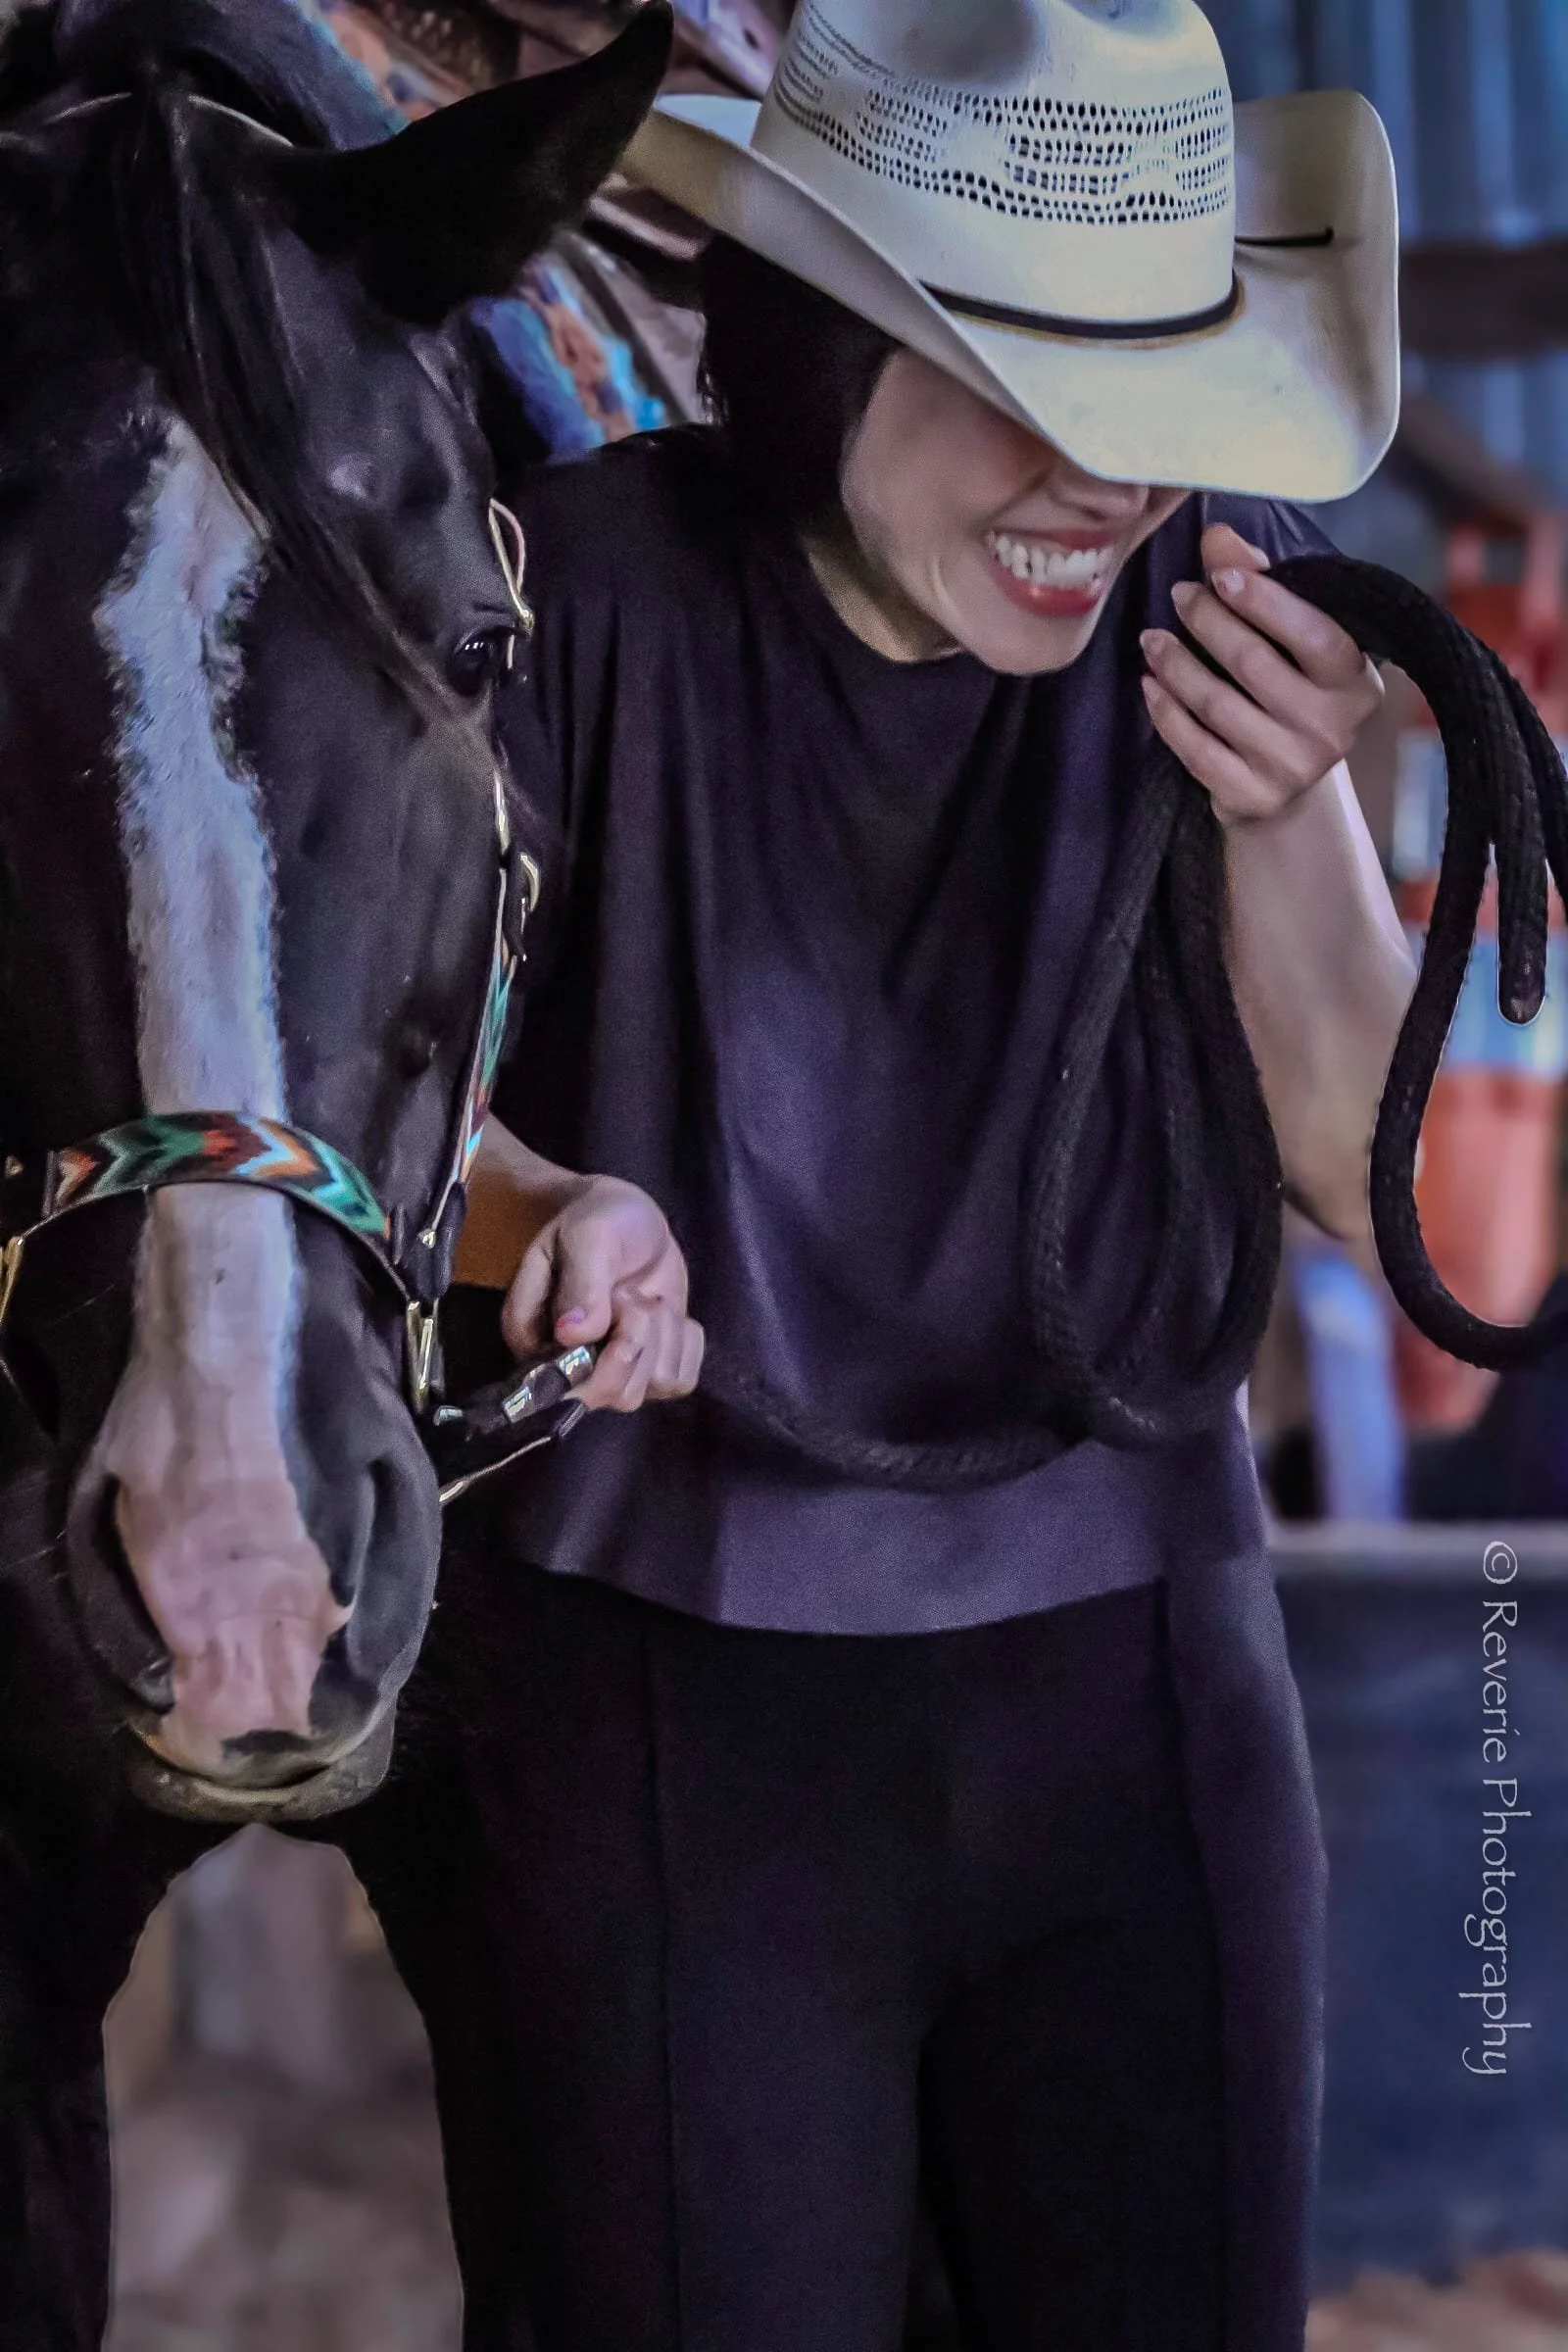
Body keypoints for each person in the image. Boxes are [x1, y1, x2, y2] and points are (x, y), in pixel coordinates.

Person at [357, 5, 1416, 2347]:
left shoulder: (1212, 610)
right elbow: (372, 1078)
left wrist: (1287, 823)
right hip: (666, 1703)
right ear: (827, 338)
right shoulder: (566, 594)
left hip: (1133, 1675)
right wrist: (550, 1212)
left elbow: (1372, 1188)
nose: (1099, 483)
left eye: (1146, 400)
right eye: (1008, 386)